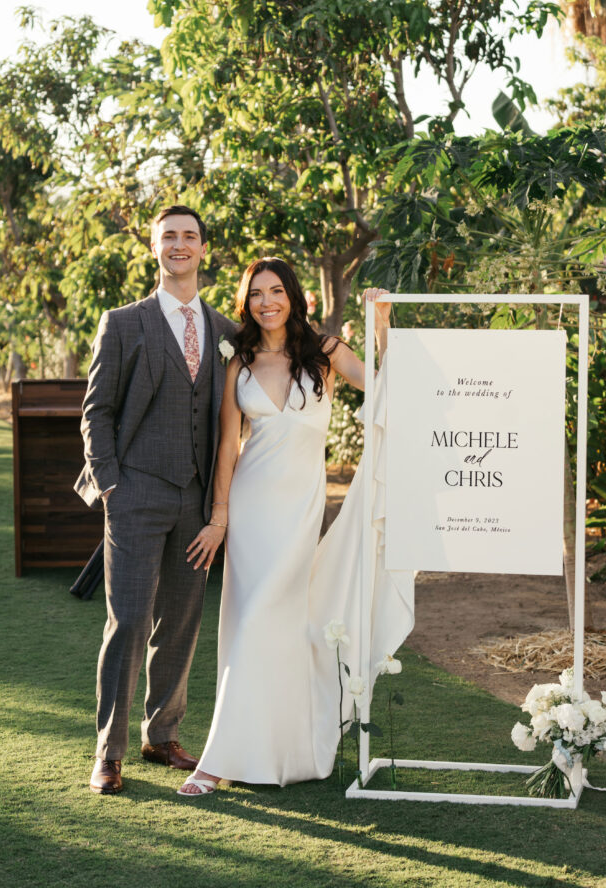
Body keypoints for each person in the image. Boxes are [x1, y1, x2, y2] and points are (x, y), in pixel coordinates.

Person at [177, 257, 414, 795]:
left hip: (300, 509)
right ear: (246, 302)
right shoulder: (237, 363)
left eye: (276, 291)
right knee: (251, 624)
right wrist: (219, 517)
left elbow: (380, 386)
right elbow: (227, 451)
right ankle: (219, 758)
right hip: (253, 507)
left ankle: (290, 750)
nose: (267, 302)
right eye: (257, 293)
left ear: (293, 296)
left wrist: (382, 329)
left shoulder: (325, 354)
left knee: (282, 625)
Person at [75, 205, 238, 795]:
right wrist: (111, 483)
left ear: (202, 249)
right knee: (128, 621)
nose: (180, 244)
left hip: (196, 503)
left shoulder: (225, 330)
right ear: (154, 247)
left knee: (181, 622)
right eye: (169, 236)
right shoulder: (122, 322)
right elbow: (96, 410)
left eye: (190, 236)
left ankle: (161, 732)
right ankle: (109, 751)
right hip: (135, 492)